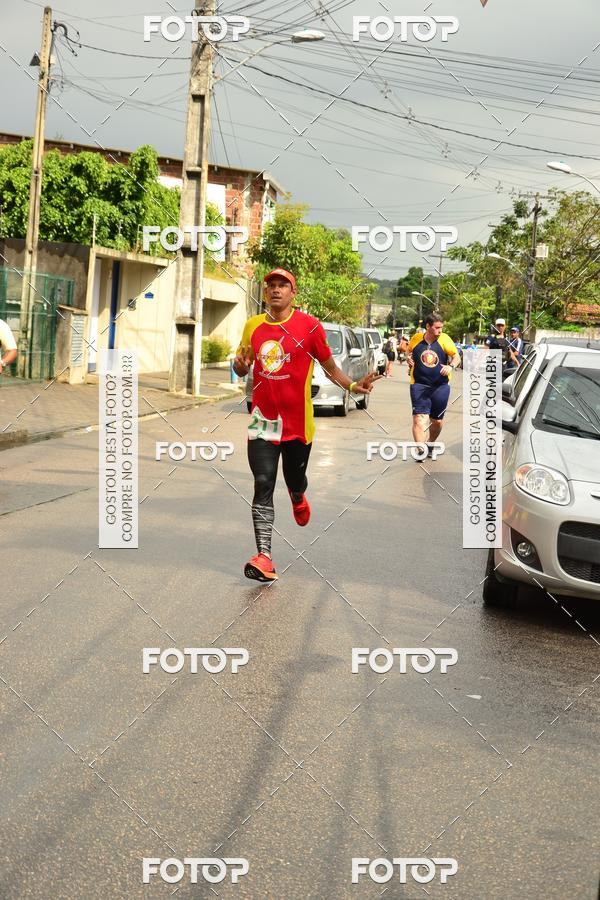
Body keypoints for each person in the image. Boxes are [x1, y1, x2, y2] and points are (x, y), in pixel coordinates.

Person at [233, 267, 380, 583]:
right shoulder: (253, 327)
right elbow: (241, 364)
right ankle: (265, 557)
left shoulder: (309, 327)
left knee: (293, 479)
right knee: (262, 482)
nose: (275, 289)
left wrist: (353, 387)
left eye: (282, 285)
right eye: (270, 285)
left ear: (292, 292)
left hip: (299, 425)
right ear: (265, 292)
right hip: (263, 423)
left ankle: (298, 496)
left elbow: (329, 367)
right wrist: (239, 365)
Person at [406, 313, 460, 459]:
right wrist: (408, 358)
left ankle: (430, 443)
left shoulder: (444, 339)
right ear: (428, 327)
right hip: (418, 384)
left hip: (440, 386)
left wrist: (451, 366)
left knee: (436, 421)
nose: (440, 331)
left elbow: (456, 356)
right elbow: (409, 351)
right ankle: (420, 450)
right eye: (437, 328)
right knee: (419, 418)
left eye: (441, 328)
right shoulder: (416, 338)